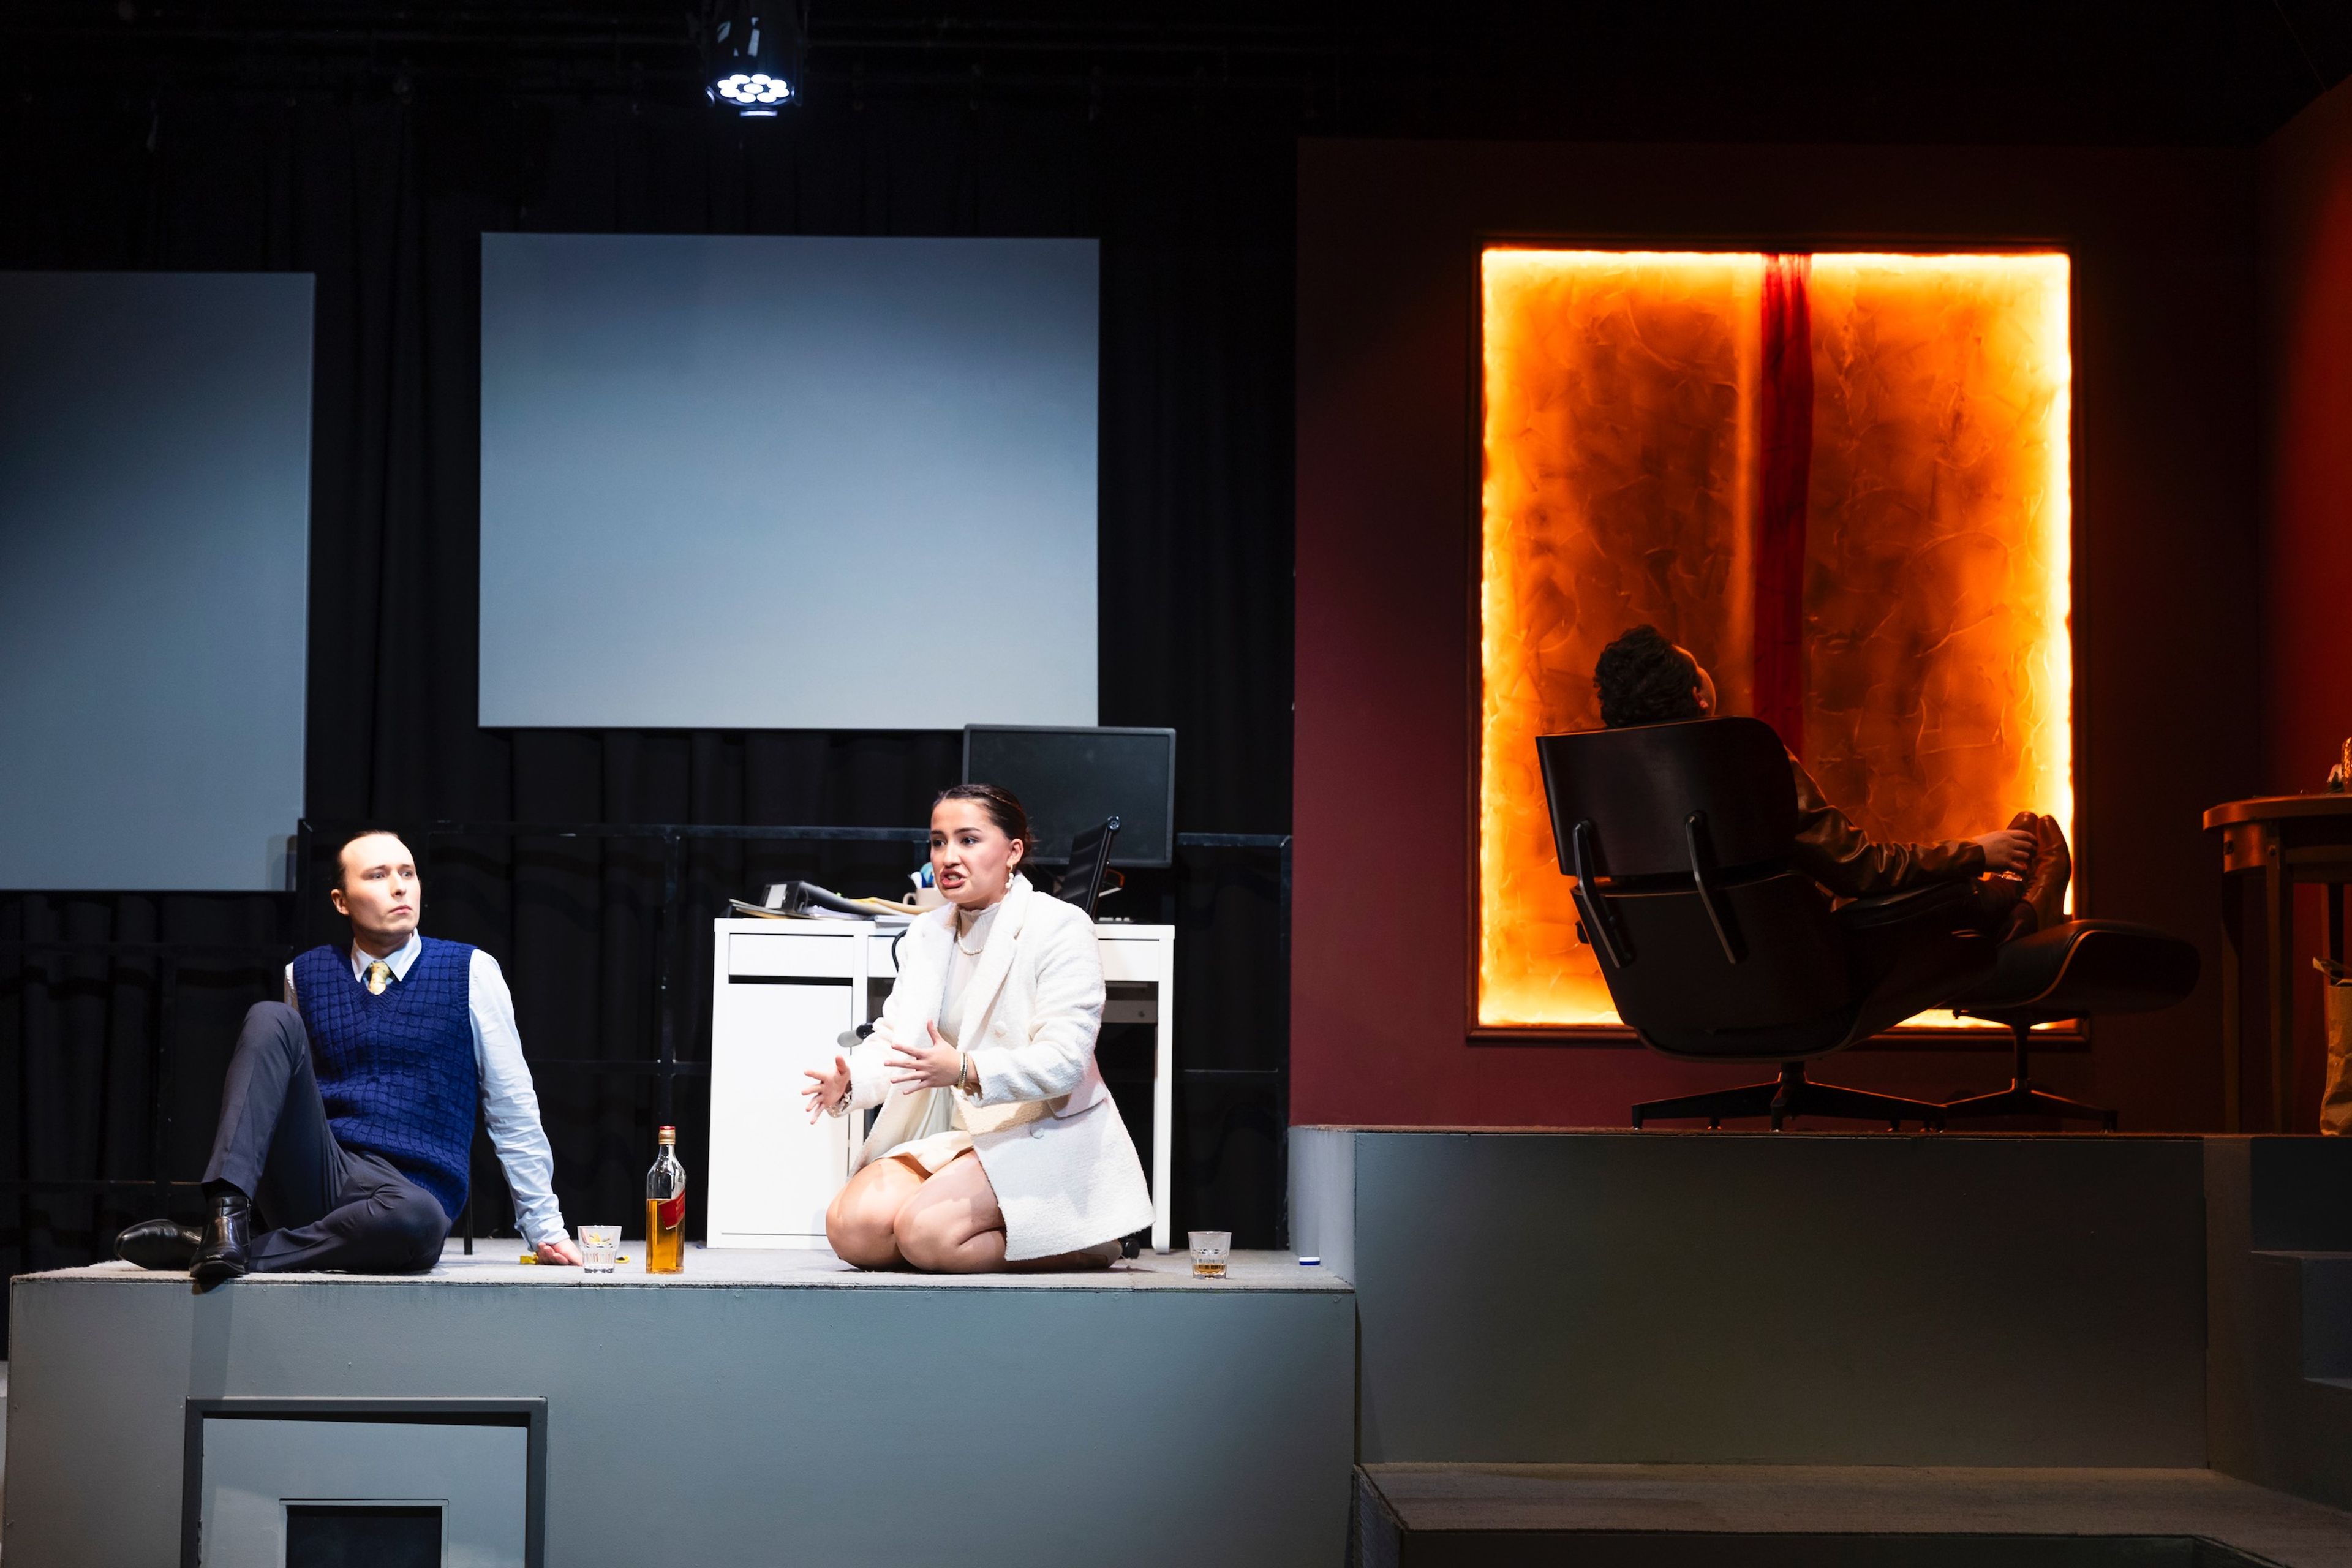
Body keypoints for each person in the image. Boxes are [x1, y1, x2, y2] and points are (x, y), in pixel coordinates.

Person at [113, 829, 579, 1283]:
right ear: (341, 900)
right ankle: (225, 1217)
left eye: (408, 873)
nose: (400, 886)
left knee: (415, 1219)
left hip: (408, 1196)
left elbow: (511, 1104)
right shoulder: (306, 974)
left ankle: (220, 1249)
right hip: (323, 1169)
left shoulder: (470, 971)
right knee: (269, 1018)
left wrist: (543, 1226)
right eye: (377, 876)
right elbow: (283, 1094)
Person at [801, 783, 1152, 1272]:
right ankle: (971, 1228)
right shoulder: (929, 931)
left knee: (929, 1237)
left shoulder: (1060, 926)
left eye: (968, 840)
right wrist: (852, 1081)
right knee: (853, 1231)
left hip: (1032, 1127)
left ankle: (1088, 1242)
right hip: (952, 1132)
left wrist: (965, 1069)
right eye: (938, 841)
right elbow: (897, 1040)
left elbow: (1065, 1061)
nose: (948, 856)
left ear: (1012, 852)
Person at [1591, 624, 2070, 935]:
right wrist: (1974, 853)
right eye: (1699, 665)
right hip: (1792, 978)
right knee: (1942, 898)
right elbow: (1860, 870)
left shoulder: (1605, 786)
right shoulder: (1745, 762)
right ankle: (2014, 904)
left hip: (1674, 996)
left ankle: (2013, 907)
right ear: (1698, 696)